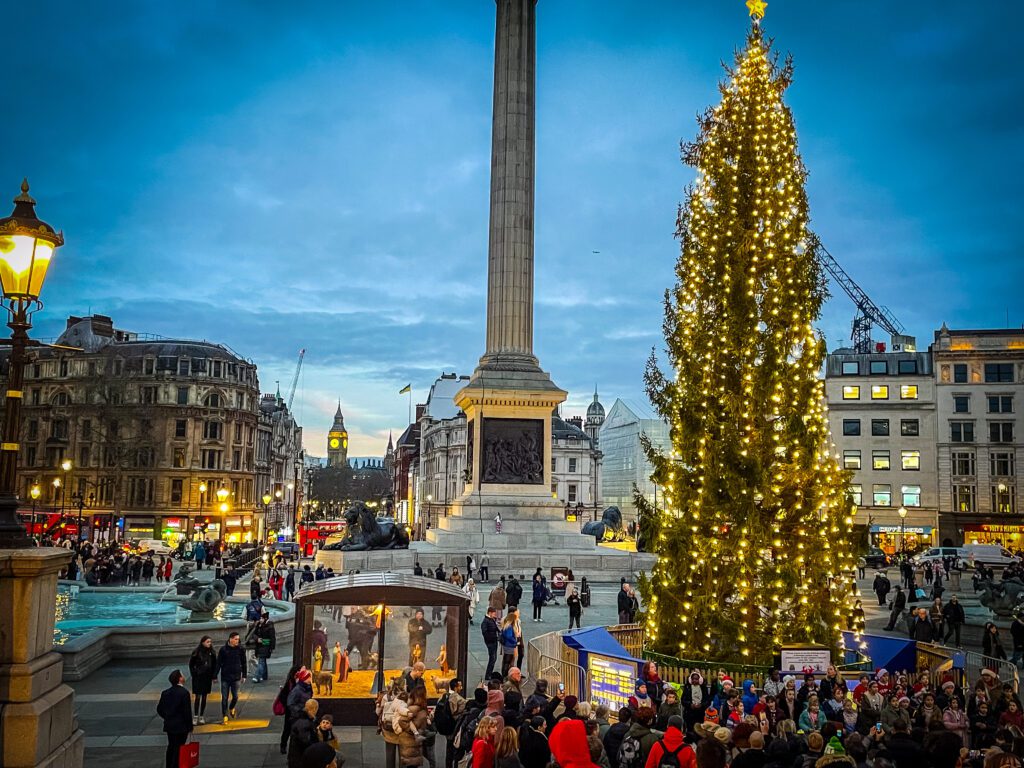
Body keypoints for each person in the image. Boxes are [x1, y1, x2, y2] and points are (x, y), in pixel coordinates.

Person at [156, 669, 194, 768]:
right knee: (179, 747)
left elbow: (159, 709)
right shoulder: (184, 693)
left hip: (170, 724)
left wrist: (167, 716)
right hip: (181, 726)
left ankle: (169, 765)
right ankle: (176, 765)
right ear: (180, 679)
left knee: (171, 746)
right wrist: (190, 726)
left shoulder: (166, 693)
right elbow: (187, 711)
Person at [217, 631, 247, 724]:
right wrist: (214, 675)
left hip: (236, 677)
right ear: (230, 639)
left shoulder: (240, 649)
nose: (237, 641)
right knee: (224, 698)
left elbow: (244, 663)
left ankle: (231, 707)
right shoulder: (223, 650)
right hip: (225, 677)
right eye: (235, 639)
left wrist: (244, 675)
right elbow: (218, 663)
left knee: (235, 696)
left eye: (238, 639)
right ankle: (225, 715)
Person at [187, 635, 217, 725]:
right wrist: (194, 674)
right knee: (198, 697)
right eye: (208, 642)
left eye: (210, 642)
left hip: (207, 677)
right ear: (203, 642)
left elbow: (214, 664)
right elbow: (191, 664)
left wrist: (213, 676)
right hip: (198, 677)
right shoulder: (196, 652)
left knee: (204, 697)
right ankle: (196, 716)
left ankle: (201, 715)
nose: (209, 644)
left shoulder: (212, 652)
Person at [287, 698, 319, 768]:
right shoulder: (305, 724)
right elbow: (306, 742)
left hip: (296, 757)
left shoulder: (302, 718)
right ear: (314, 709)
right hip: (300, 760)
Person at [251, 609, 277, 683]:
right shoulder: (259, 625)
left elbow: (272, 638)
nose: (260, 619)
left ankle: (257, 676)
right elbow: (254, 634)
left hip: (265, 646)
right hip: (259, 646)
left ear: (265, 619)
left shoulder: (270, 626)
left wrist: (271, 647)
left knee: (261, 661)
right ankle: (264, 676)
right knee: (263, 661)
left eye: (261, 618)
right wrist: (257, 639)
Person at [500, 609, 520, 678]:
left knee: (506, 661)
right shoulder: (509, 627)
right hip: (509, 646)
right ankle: (504, 675)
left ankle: (504, 675)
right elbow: (509, 636)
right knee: (507, 662)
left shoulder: (506, 626)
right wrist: (515, 642)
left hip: (507, 645)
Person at [482, 606, 501, 679]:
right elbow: (484, 632)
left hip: (494, 641)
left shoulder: (491, 619)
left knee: (494, 658)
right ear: (489, 613)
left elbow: (495, 628)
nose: (495, 615)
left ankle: (489, 674)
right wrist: (491, 638)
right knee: (492, 658)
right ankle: (488, 675)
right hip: (491, 642)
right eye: (493, 613)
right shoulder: (486, 621)